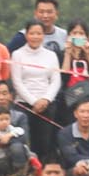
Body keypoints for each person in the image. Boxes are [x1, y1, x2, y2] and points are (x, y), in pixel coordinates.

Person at [8, 19, 60, 163]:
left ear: (43, 35)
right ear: (26, 35)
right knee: (24, 140)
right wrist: (33, 102)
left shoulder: (51, 55)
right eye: (32, 33)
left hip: (46, 103)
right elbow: (17, 82)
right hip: (24, 104)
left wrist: (46, 99)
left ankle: (43, 168)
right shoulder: (17, 54)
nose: (35, 37)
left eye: (39, 33)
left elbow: (55, 80)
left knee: (45, 142)